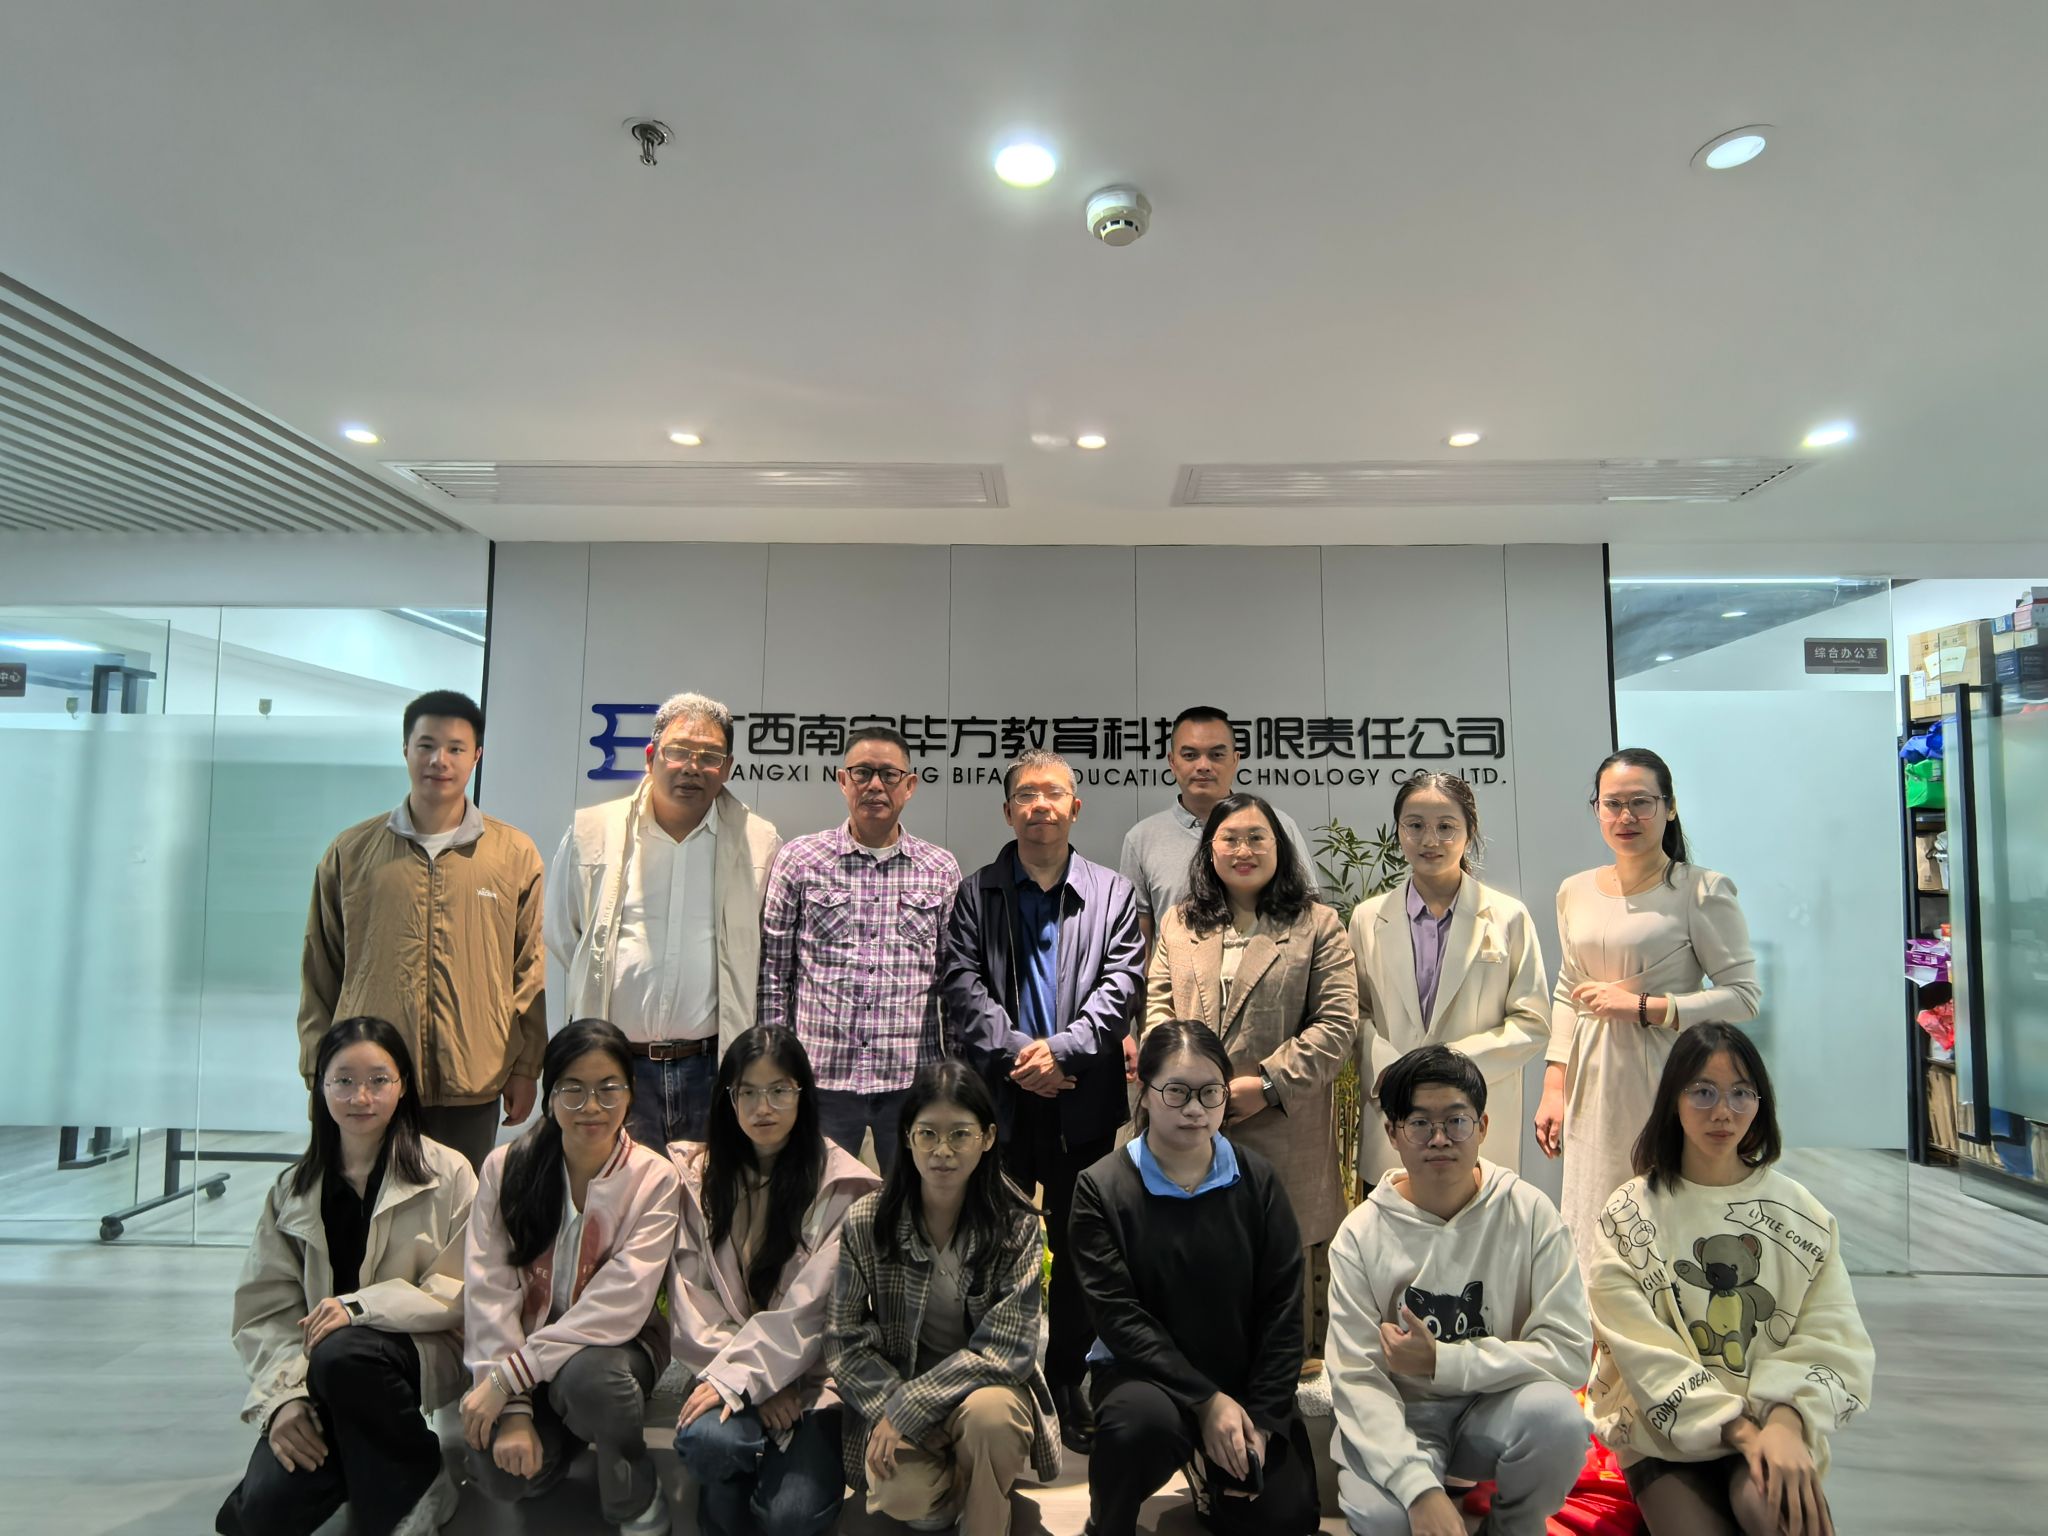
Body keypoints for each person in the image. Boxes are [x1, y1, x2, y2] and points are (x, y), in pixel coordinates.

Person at [1588, 1023, 1872, 1536]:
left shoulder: (1800, 1215)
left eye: (1741, 1093)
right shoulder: (1629, 1213)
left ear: (1760, 1103)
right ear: (1673, 1100)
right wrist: (1741, 1432)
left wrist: (1784, 1423)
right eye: (1703, 1092)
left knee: (1780, 1518)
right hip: (1664, 1437)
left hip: (1772, 1424)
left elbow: (1832, 1334)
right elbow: (1643, 1354)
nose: (1723, 1111)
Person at [940, 748, 1145, 1453]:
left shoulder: (1113, 894)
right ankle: (989, 1381)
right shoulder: (975, 893)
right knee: (986, 1246)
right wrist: (1023, 1058)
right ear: (1008, 812)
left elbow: (1122, 985)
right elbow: (961, 984)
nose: (1040, 805)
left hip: (1081, 1100)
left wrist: (1062, 1053)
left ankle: (1063, 1382)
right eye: (1026, 794)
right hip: (997, 1105)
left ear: (1074, 807)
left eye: (1053, 793)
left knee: (1080, 1251)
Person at [218, 1017, 475, 1536]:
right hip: (317, 1370)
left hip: (419, 1351)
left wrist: (358, 1308)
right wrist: (283, 1400)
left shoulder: (448, 1173)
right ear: (320, 1087)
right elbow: (264, 1312)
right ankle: (394, 1468)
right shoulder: (292, 1189)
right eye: (344, 1081)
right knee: (260, 1515)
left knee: (345, 1353)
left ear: (403, 1086)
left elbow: (459, 1290)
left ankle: (412, 1489)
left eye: (379, 1080)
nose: (361, 1097)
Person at [1327, 1045, 1592, 1536]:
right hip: (1403, 1414)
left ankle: (1512, 1528)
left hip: (1493, 1406)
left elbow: (1570, 1353)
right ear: (1393, 1133)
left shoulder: (1530, 1213)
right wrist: (1418, 1491)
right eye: (1419, 1123)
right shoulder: (1359, 1236)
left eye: (1456, 1121)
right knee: (1388, 1522)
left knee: (1558, 1420)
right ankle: (1426, 1485)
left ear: (1483, 1127)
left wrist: (1443, 1361)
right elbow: (1357, 1379)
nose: (1439, 1139)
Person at [1069, 1020, 1321, 1536]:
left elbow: (1282, 1309)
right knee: (1137, 1430)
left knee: (1284, 1517)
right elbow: (1119, 1318)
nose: (1195, 1109)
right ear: (1145, 1091)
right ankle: (1108, 1518)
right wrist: (1206, 1402)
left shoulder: (1258, 1180)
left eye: (1210, 1093)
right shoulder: (1101, 1187)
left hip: (1241, 1377)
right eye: (1177, 1092)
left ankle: (1215, 1478)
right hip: (1145, 1378)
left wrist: (1263, 1419)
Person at [1146, 791, 1359, 1372]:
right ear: (1209, 850)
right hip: (1191, 1124)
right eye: (1230, 838)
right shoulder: (1180, 922)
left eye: (1257, 837)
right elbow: (1159, 1010)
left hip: (1281, 1123)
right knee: (1193, 1258)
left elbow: (1337, 1024)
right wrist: (1185, 1088)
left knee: (1278, 1266)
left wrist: (1265, 1085)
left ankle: (1281, 1377)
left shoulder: (1318, 924)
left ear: (1279, 846)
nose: (1244, 850)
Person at [1534, 748, 1761, 1277]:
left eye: (1641, 802)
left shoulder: (1702, 889)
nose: (1626, 816)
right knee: (1593, 1210)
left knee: (1661, 1207)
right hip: (1592, 1078)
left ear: (1669, 807)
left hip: (1666, 1073)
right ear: (1596, 809)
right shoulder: (1574, 890)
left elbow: (1744, 995)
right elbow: (1568, 989)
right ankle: (1598, 1324)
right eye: (1613, 804)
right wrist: (1553, 1083)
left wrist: (1646, 1007)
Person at [299, 688, 547, 1171]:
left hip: (473, 1078)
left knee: (460, 1207)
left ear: (476, 755)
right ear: (406, 749)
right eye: (427, 745)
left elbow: (528, 971)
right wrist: (317, 1067)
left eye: (455, 748)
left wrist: (525, 1068)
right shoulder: (352, 852)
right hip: (370, 1082)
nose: (440, 760)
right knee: (369, 1205)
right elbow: (320, 966)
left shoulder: (513, 854)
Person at [462, 1020, 680, 1536]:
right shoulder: (505, 1167)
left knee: (590, 1381)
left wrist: (507, 1379)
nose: (591, 1107)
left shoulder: (654, 1179)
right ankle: (559, 1443)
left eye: (609, 1089)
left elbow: (619, 1306)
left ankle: (635, 1500)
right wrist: (514, 1409)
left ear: (631, 1092)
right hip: (524, 1353)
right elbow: (488, 1289)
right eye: (573, 1089)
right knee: (502, 1476)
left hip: (614, 1350)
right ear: (550, 1093)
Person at [827, 1060, 1060, 1536]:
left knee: (990, 1421)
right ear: (907, 1137)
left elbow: (1009, 1351)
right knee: (907, 1499)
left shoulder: (1015, 1224)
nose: (943, 1151)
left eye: (960, 1135)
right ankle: (974, 1480)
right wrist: (895, 1404)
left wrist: (911, 1406)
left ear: (988, 1137)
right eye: (928, 1134)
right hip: (900, 1383)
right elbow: (843, 1341)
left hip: (984, 1395)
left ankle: (981, 1502)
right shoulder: (867, 1221)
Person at [547, 690, 784, 1147]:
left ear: (728, 768)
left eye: (710, 756)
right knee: (616, 1187)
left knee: (707, 1188)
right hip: (616, 1069)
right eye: (678, 751)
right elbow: (565, 936)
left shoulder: (758, 840)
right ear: (651, 756)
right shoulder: (593, 832)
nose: (692, 767)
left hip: (710, 1068)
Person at [669, 1025, 881, 1536]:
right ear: (729, 1098)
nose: (763, 1108)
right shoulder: (697, 1178)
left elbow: (813, 1311)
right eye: (748, 1092)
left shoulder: (842, 1185)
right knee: (710, 1444)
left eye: (780, 1090)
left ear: (803, 1094)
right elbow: (693, 1303)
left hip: (810, 1381)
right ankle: (729, 1490)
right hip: (724, 1367)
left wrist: (761, 1379)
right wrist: (750, 1385)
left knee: (791, 1517)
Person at [757, 725, 961, 1176]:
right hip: (820, 1079)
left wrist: (955, 1075)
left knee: (911, 1204)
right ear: (842, 780)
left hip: (911, 1082)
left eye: (889, 774)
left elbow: (953, 980)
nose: (875, 785)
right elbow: (773, 970)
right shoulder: (801, 859)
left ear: (910, 785)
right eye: (862, 773)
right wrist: (775, 1063)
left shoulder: (940, 868)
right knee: (813, 1202)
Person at [1348, 773, 1548, 1185]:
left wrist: (1448, 1065)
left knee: (1480, 1218)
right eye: (1415, 825)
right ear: (1398, 831)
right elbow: (1356, 1014)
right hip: (1396, 1117)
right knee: (1396, 1216)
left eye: (1446, 827)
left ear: (1469, 831)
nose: (1430, 840)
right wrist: (1392, 1070)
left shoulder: (1508, 917)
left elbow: (1532, 1022)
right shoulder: (1368, 918)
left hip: (1477, 1121)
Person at [1118, 705, 1320, 954]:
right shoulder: (1141, 839)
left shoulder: (1277, 826)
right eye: (1190, 755)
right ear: (1172, 762)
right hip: (1179, 977)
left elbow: (1311, 916)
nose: (1203, 765)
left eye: (1216, 755)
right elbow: (1138, 945)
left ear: (1235, 760)